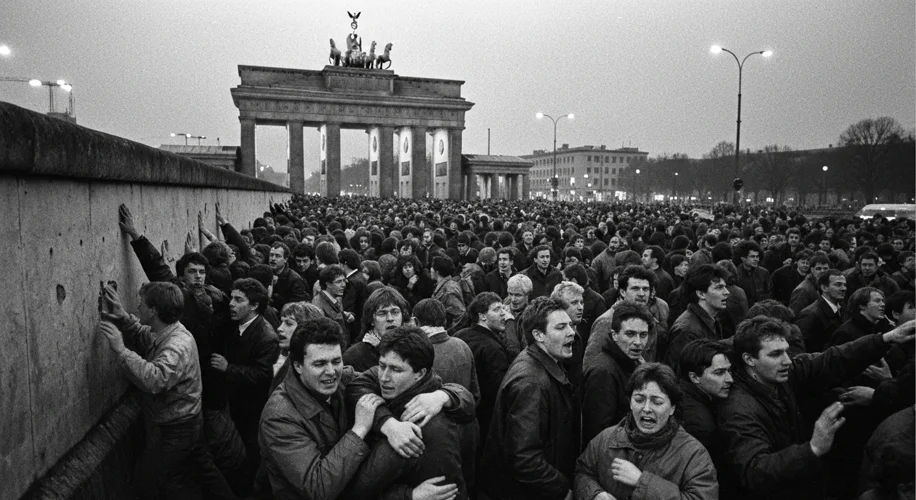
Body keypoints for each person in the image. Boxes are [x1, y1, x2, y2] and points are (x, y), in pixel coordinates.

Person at [717, 315, 915, 500]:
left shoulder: (775, 375)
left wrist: (887, 339)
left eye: (786, 350)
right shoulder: (739, 409)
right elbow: (754, 472)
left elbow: (832, 359)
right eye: (776, 354)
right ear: (749, 359)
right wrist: (812, 448)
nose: (787, 360)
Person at [96, 282, 237, 500]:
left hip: (178, 428)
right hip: (186, 421)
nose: (138, 306)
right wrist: (123, 317)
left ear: (153, 311)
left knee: (151, 481)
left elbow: (155, 379)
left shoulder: (176, 345)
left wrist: (121, 350)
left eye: (142, 304)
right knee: (201, 473)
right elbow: (147, 335)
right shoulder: (169, 331)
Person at [258, 317, 386, 500]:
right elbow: (318, 488)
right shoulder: (279, 417)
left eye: (336, 361)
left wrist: (440, 395)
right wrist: (360, 429)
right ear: (298, 366)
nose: (331, 372)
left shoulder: (343, 380)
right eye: (319, 364)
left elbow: (384, 376)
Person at [344, 326, 475, 500]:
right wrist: (387, 422)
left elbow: (357, 491)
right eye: (382, 366)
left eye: (396, 370)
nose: (384, 377)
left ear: (420, 374)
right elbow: (356, 386)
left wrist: (407, 495)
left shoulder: (422, 429)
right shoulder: (419, 388)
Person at [479, 297, 580, 500]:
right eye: (561, 327)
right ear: (538, 335)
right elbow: (524, 457)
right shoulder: (531, 383)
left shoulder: (545, 363)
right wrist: (562, 489)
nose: (571, 332)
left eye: (570, 325)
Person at [575, 363, 719, 500]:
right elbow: (582, 472)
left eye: (657, 402)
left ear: (672, 408)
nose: (646, 408)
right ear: (630, 402)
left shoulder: (693, 455)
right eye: (639, 399)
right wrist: (594, 494)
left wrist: (641, 481)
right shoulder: (606, 439)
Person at [212, 277, 280, 493]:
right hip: (235, 405)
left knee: (249, 456)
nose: (232, 304)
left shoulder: (265, 336)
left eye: (238, 300)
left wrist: (228, 368)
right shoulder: (237, 324)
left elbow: (262, 374)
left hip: (252, 410)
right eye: (232, 298)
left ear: (254, 306)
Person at [581, 303, 653, 446]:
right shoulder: (603, 372)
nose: (638, 342)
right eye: (630, 334)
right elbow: (599, 433)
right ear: (614, 335)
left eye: (643, 335)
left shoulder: (633, 361)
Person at [454, 292, 511, 453]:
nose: (503, 314)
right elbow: (500, 392)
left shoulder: (460, 335)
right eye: (496, 309)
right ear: (482, 316)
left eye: (503, 308)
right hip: (486, 421)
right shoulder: (493, 348)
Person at [677, 338, 733, 490]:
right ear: (694, 377)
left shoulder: (683, 393)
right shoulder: (701, 425)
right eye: (720, 373)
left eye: (729, 371)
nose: (730, 379)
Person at [665, 264, 730, 368]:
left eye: (725, 287)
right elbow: (679, 372)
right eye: (719, 288)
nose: (727, 292)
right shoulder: (686, 330)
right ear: (701, 294)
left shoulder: (713, 319)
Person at [343, 287, 410, 372]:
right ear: (371, 320)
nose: (390, 318)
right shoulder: (354, 357)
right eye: (382, 313)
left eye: (395, 312)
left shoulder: (412, 349)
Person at [795, 269, 847, 353]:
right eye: (838, 285)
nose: (843, 288)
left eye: (845, 285)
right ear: (824, 288)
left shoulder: (842, 309)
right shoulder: (810, 314)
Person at [311, 265, 352, 342]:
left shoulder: (336, 299)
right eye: (339, 282)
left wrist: (345, 315)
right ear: (328, 284)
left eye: (344, 280)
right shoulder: (317, 303)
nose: (343, 285)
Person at [269, 242, 310, 310]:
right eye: (271, 255)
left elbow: (298, 306)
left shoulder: (295, 280)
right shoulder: (266, 273)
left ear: (285, 259)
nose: (273, 258)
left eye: (278, 256)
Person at [339, 248, 369, 343]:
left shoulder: (351, 282)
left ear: (345, 264)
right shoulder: (360, 276)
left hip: (354, 326)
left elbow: (348, 306)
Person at [431, 256, 467, 331]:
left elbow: (460, 314)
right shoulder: (444, 285)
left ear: (437, 272)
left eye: (432, 267)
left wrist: (448, 333)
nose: (430, 270)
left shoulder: (448, 290)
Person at [503, 274, 533, 359]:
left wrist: (509, 322)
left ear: (527, 296)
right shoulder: (503, 305)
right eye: (510, 294)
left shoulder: (529, 317)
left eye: (518, 295)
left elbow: (520, 351)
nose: (513, 299)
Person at [735, 240, 772, 307]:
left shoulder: (764, 273)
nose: (756, 259)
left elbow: (769, 294)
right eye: (752, 256)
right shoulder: (736, 274)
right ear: (743, 258)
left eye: (757, 256)